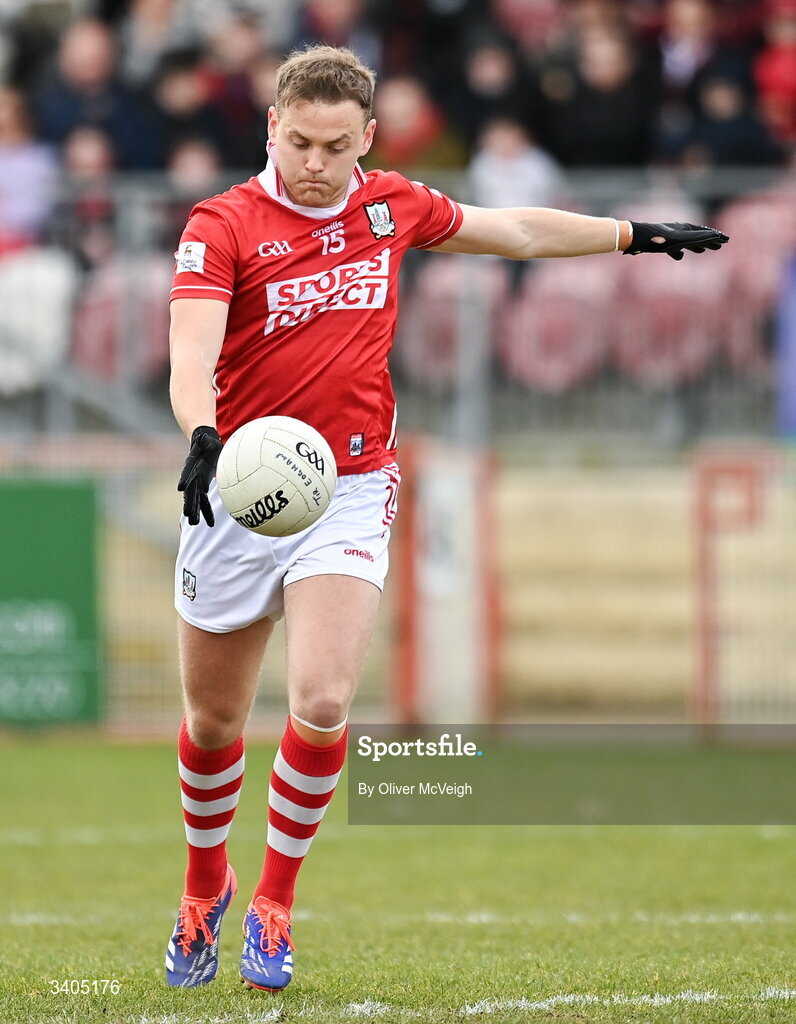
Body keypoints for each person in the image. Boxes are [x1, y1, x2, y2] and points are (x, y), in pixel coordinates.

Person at [165, 43, 728, 992]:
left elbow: (514, 233)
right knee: (214, 721)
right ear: (272, 127)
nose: (313, 161)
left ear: (367, 140)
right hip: (233, 485)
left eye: (334, 146)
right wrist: (203, 433)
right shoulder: (221, 224)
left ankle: (274, 904)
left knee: (324, 701)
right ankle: (202, 887)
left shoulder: (389, 204)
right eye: (297, 140)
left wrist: (630, 234)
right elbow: (191, 347)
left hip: (347, 484)